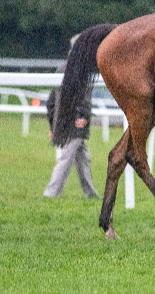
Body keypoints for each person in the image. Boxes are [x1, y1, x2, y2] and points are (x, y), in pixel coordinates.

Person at [44, 34, 100, 198]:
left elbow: (51, 100)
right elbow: (82, 97)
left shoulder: (62, 67)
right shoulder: (82, 69)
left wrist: (52, 125)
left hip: (62, 119)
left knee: (83, 157)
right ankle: (51, 192)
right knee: (67, 158)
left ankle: (90, 193)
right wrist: (83, 116)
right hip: (75, 121)